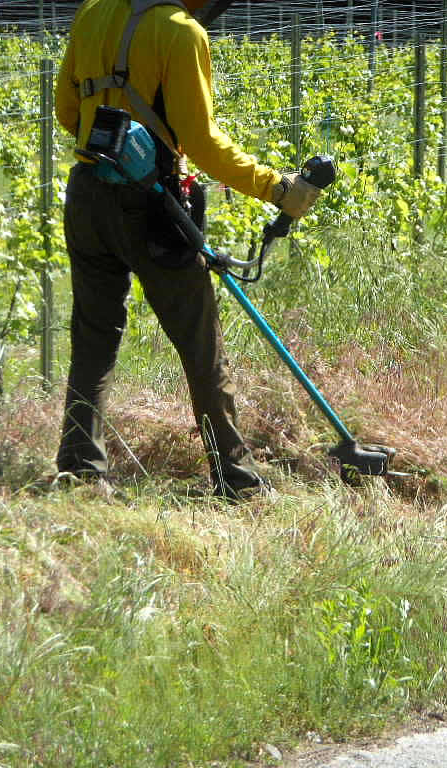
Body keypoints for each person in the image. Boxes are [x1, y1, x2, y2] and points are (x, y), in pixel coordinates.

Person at [53, 0, 318, 499]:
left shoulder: (92, 12)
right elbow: (202, 142)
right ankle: (236, 477)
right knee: (200, 342)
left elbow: (68, 112)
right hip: (151, 205)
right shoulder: (180, 32)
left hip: (86, 194)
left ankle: (79, 467)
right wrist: (277, 188)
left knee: (94, 333)